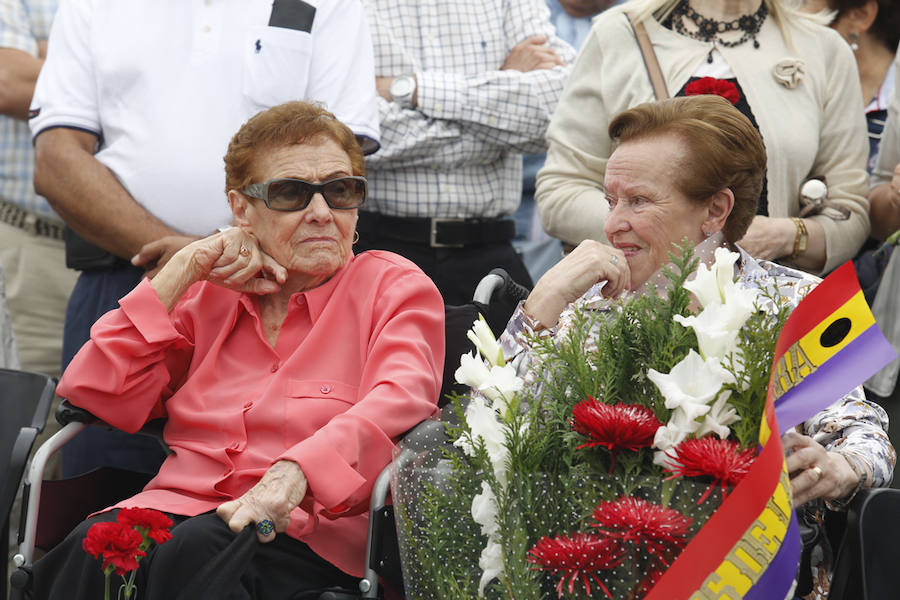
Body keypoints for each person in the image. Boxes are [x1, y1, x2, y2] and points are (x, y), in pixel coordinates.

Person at [30, 101, 444, 600]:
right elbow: (96, 392)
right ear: (242, 208)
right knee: (91, 549)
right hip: (178, 508)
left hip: (310, 533)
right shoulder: (210, 292)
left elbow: (400, 401)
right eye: (291, 193)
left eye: (340, 190)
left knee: (196, 554)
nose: (320, 212)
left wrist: (298, 471)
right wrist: (184, 267)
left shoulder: (392, 287)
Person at [501, 96, 893, 600]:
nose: (611, 223)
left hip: (755, 579)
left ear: (715, 210)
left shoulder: (798, 302)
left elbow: (866, 439)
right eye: (610, 200)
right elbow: (495, 426)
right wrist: (543, 305)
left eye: (637, 201)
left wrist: (840, 468)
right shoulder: (586, 306)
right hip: (595, 575)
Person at [29, 0, 380, 477]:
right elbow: (56, 160)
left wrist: (216, 251)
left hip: (279, 295)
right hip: (131, 286)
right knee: (100, 510)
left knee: (249, 493)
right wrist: (194, 258)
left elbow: (334, 161)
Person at [536, 0, 871, 277]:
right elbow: (561, 191)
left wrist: (787, 236)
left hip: (770, 311)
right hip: (638, 306)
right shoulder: (617, 34)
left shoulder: (823, 48)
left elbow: (851, 209)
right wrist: (657, 234)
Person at [357, 0, 576, 306]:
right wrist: (502, 96)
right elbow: (357, 131)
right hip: (377, 255)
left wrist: (410, 89)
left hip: (490, 257)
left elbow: (555, 111)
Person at [515, 0, 619, 282]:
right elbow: (523, 136)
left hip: (599, 224)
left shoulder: (642, 21)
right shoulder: (526, 12)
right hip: (508, 222)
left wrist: (507, 86)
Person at [1, 0, 77, 378]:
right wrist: (118, 73)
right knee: (26, 420)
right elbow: (9, 82)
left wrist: (55, 58)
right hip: (36, 251)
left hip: (147, 257)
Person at [803, 0, 900, 173]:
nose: (793, 15)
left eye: (803, 2)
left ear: (860, 16)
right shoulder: (798, 84)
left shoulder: (894, 94)